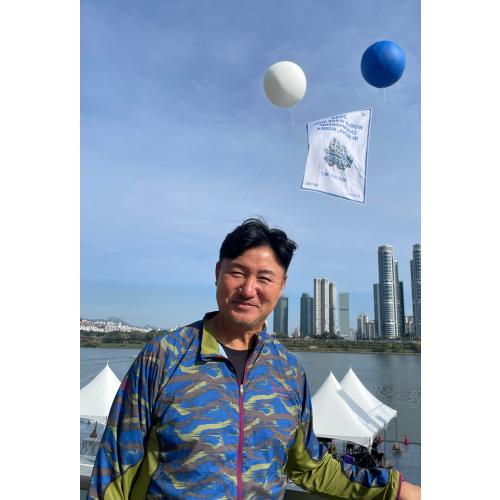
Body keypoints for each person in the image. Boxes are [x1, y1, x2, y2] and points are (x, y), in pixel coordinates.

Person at [88, 218, 421, 499]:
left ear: (281, 285)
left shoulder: (288, 372)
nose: (248, 289)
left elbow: (311, 466)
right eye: (237, 273)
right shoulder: (164, 357)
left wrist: (395, 489)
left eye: (264, 278)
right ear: (217, 272)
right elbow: (114, 470)